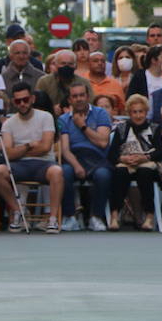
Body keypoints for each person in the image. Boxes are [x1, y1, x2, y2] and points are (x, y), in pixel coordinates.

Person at [0, 81, 64, 234]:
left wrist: (19, 150)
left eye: (25, 99)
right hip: (19, 165)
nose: (22, 104)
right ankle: (18, 212)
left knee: (57, 172)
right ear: (13, 102)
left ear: (32, 99)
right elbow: (8, 153)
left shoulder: (46, 117)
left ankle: (52, 218)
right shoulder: (9, 123)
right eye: (18, 101)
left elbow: (45, 147)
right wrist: (29, 146)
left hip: (44, 164)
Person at [58, 81, 113, 231]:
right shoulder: (63, 119)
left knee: (103, 175)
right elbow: (64, 149)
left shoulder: (100, 113)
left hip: (97, 158)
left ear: (87, 96)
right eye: (75, 96)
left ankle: (96, 217)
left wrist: (82, 126)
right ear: (69, 100)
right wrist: (76, 165)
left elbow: (102, 142)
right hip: (73, 157)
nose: (79, 99)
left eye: (82, 95)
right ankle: (70, 216)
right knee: (64, 172)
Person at [109, 94, 162, 231]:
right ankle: (115, 216)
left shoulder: (155, 128)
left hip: (147, 162)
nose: (138, 115)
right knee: (119, 172)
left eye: (141, 111)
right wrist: (123, 159)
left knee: (144, 173)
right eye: (134, 112)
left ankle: (149, 217)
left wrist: (144, 158)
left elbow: (159, 152)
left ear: (146, 112)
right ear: (129, 113)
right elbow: (112, 153)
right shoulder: (121, 129)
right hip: (126, 161)